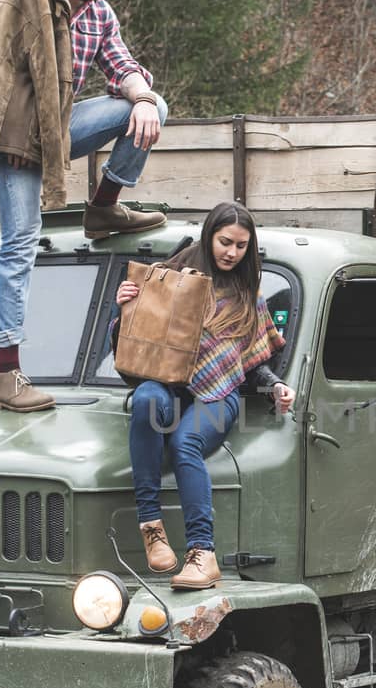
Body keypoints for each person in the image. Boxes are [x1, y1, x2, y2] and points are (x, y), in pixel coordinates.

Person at [0, 0, 168, 413]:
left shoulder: (100, 13)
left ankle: (103, 207)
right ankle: (6, 375)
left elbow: (123, 67)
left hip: (58, 130)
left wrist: (145, 99)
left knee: (150, 104)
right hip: (18, 140)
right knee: (19, 245)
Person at [115, 202, 294, 589]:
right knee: (146, 402)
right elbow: (132, 343)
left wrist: (274, 386)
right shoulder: (169, 282)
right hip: (166, 384)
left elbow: (248, 364)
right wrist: (127, 306)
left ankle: (202, 554)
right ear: (209, 236)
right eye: (225, 242)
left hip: (219, 395)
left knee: (185, 442)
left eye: (241, 246)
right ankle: (152, 527)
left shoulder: (247, 295)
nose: (232, 252)